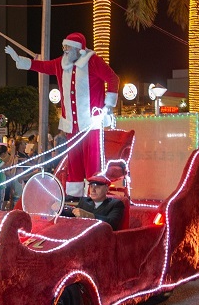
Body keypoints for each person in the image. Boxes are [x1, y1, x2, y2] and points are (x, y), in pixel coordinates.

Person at [6, 31, 119, 198]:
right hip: (71, 123)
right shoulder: (61, 63)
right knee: (74, 160)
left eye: (68, 47)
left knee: (92, 159)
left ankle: (93, 193)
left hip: (91, 123)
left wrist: (108, 105)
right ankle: (75, 194)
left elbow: (113, 78)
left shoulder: (93, 61)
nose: (64, 49)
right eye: (64, 47)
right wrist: (22, 61)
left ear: (78, 49)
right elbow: (43, 66)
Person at [60, 174, 125, 231]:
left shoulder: (116, 204)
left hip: (101, 240)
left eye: (97, 187)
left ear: (106, 189)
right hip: (81, 236)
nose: (93, 190)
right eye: (91, 186)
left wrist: (88, 215)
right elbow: (73, 215)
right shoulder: (85, 201)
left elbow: (111, 223)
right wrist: (59, 209)